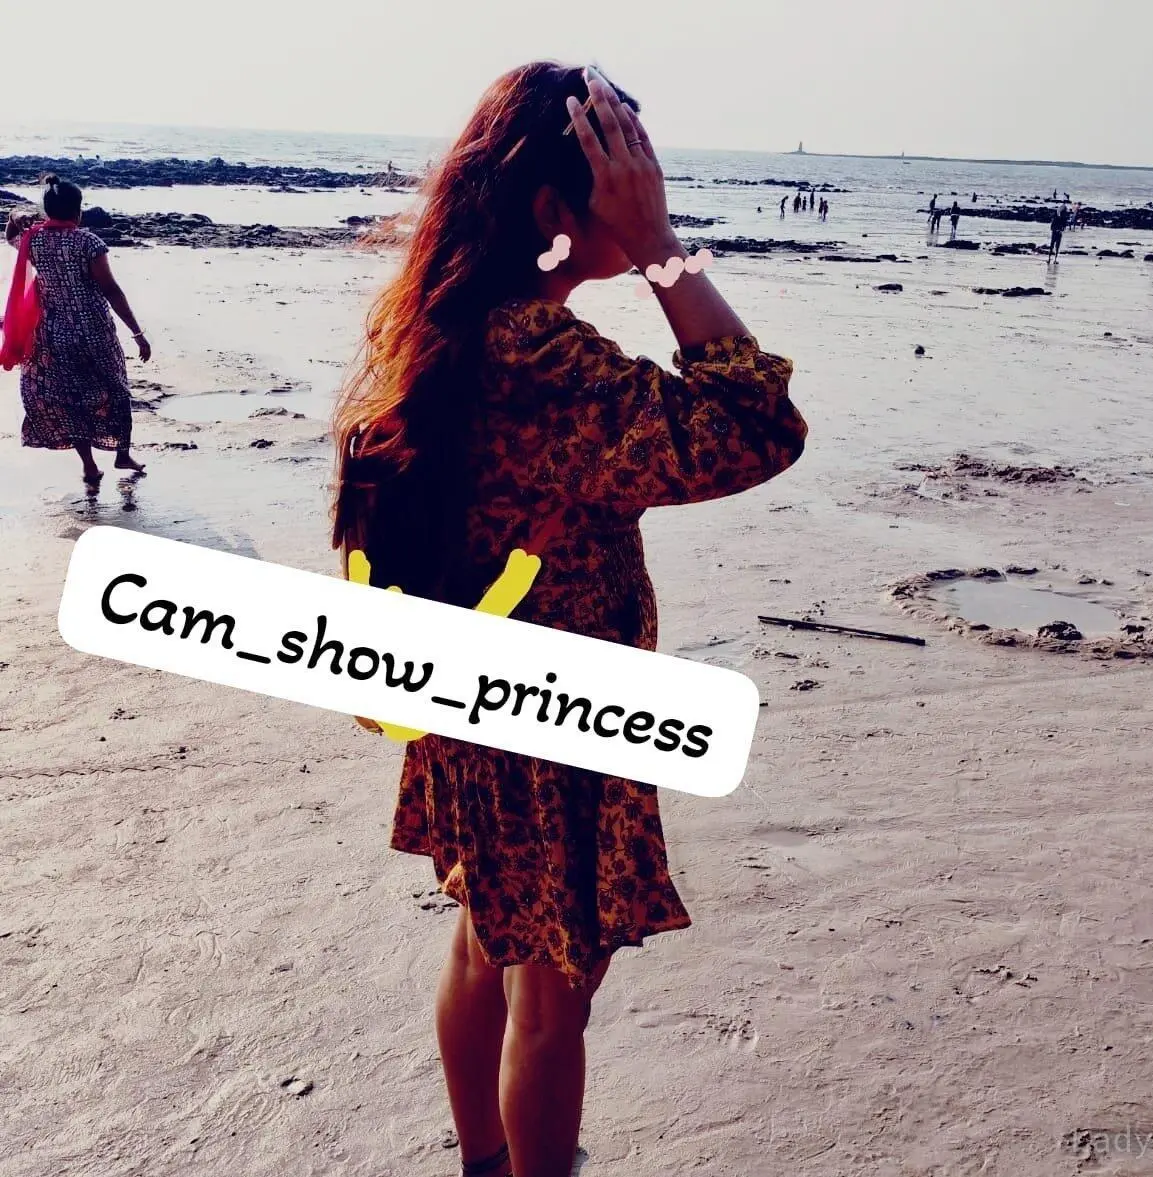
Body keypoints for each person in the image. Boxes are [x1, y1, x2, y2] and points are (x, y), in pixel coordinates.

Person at [330, 62, 806, 1177]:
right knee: (551, 995)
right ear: (553, 207)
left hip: (464, 694)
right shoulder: (541, 359)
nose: (647, 195)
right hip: (553, 723)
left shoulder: (447, 324)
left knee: (484, 939)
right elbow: (757, 425)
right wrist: (663, 250)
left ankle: (484, 1161)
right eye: (626, 179)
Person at [3, 176, 149, 485]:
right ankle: (122, 454)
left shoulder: (34, 241)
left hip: (53, 333)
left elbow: (11, 233)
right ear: (77, 211)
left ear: (47, 211)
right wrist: (137, 333)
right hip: (93, 332)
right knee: (116, 391)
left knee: (71, 399)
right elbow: (111, 290)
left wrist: (17, 215)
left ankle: (89, 466)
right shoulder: (88, 242)